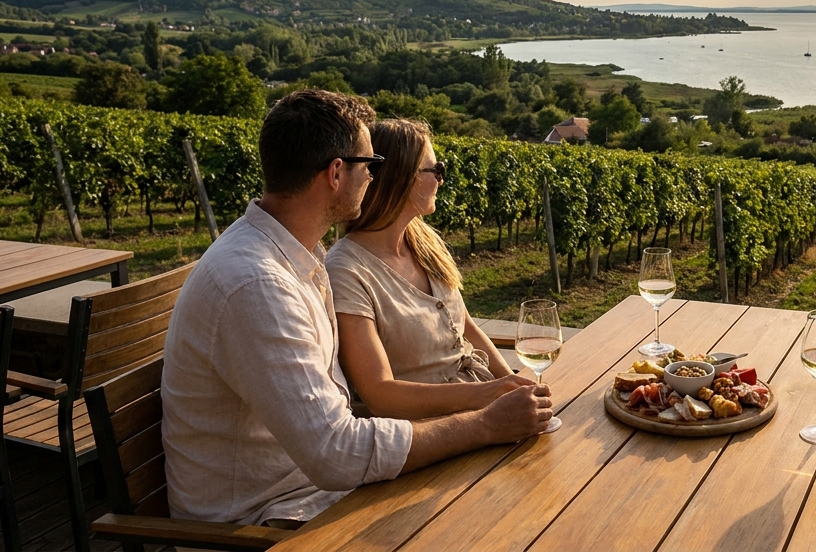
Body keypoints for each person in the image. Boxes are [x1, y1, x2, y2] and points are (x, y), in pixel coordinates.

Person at [161, 90, 552, 528]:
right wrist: (482, 424)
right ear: (335, 173)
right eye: (371, 166)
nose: (374, 177)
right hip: (265, 519)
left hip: (313, 491)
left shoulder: (292, 256)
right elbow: (335, 452)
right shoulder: (258, 285)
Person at [329, 118, 531, 419]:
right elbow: (380, 394)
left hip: (485, 413)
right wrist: (486, 396)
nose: (441, 178)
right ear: (402, 178)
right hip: (432, 433)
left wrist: (514, 386)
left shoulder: (423, 241)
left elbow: (468, 329)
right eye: (436, 170)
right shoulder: (347, 271)